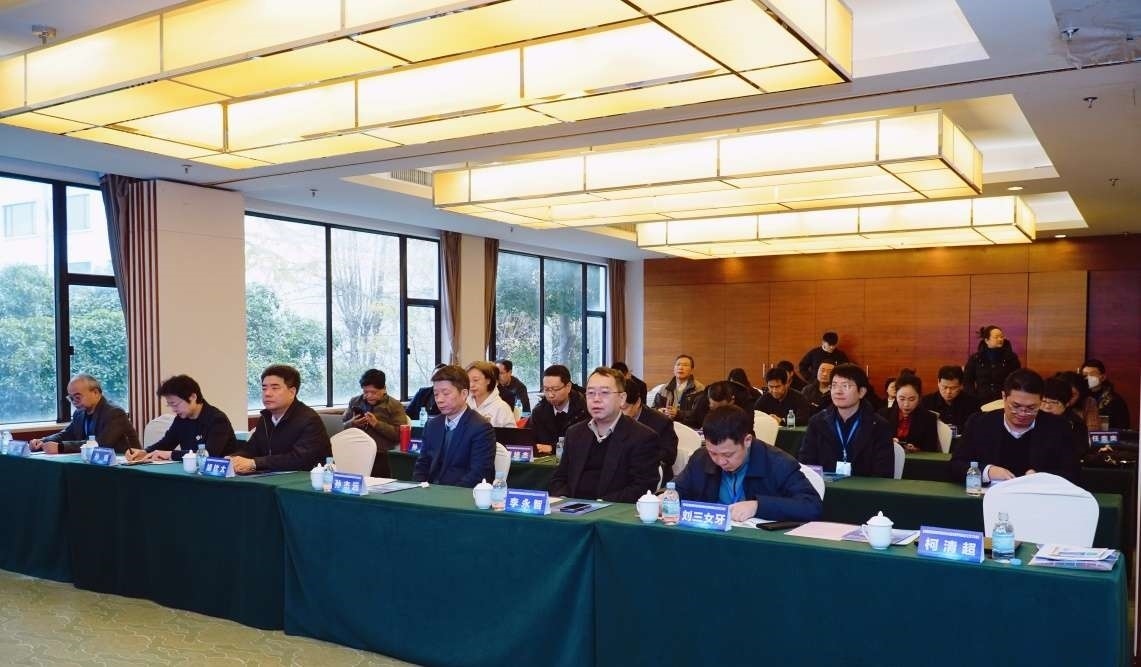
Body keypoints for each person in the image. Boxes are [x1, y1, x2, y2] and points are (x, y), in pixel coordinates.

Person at [674, 405, 822, 522]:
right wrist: (666, 497)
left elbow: (811, 506)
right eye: (713, 453)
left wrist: (758, 506)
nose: (720, 461)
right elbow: (677, 489)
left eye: (728, 455)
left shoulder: (778, 464)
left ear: (747, 441)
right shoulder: (701, 458)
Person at [548, 367, 660, 503]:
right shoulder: (575, 433)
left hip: (613, 511)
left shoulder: (642, 437)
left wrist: (600, 504)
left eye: (605, 393)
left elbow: (643, 487)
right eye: (590, 393)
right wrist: (563, 499)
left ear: (622, 398)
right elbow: (559, 478)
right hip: (572, 509)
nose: (596, 399)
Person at [951, 369, 1080, 484]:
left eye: (1031, 408)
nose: (1022, 413)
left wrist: (1041, 477)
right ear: (1004, 397)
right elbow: (955, 466)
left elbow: (1073, 474)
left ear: (1041, 401)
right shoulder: (979, 423)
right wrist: (987, 471)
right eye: (1016, 406)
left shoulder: (1058, 428)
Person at [798, 363, 894, 478]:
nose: (838, 391)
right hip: (825, 487)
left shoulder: (879, 426)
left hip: (865, 488)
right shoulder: (817, 422)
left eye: (846, 386)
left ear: (861, 392)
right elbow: (806, 464)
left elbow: (883, 473)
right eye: (834, 386)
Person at [229, 365, 330, 473]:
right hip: (271, 476)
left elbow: (300, 459)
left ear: (292, 392)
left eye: (275, 388)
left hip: (306, 479)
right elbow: (251, 449)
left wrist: (255, 463)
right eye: (264, 388)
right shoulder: (265, 418)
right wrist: (233, 459)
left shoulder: (309, 420)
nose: (267, 393)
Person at [413, 365, 495, 487]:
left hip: (460, 493)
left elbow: (478, 474)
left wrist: (448, 494)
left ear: (464, 394)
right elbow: (422, 465)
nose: (439, 400)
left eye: (446, 393)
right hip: (429, 490)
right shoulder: (432, 425)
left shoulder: (481, 428)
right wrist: (419, 487)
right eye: (436, 394)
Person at [125, 375, 237, 462]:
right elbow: (166, 443)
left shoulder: (217, 419)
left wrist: (171, 454)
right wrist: (144, 452)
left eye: (175, 404)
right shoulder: (181, 419)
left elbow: (209, 454)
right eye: (170, 405)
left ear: (193, 397)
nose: (173, 410)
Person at [31, 374, 139, 454]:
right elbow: (66, 434)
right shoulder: (79, 414)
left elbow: (100, 444)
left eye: (77, 397)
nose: (74, 402)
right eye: (71, 398)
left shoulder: (115, 413)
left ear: (95, 393)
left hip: (126, 465)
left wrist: (61, 447)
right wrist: (42, 441)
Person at [340, 368, 408, 478]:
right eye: (365, 392)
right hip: (354, 450)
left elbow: (399, 434)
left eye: (374, 392)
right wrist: (352, 423)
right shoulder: (355, 402)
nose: (369, 396)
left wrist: (377, 424)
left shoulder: (394, 405)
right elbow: (341, 427)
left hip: (381, 454)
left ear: (384, 389)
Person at [620, 378, 678, 484]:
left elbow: (669, 455)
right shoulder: (610, 418)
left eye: (624, 409)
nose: (619, 414)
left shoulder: (661, 422)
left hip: (651, 475)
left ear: (637, 403)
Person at [529, 364, 589, 455]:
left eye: (555, 389)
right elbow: (531, 441)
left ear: (568, 387)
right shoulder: (538, 412)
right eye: (546, 389)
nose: (550, 395)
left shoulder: (583, 410)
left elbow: (584, 443)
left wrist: (552, 448)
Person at [877, 374, 940, 453]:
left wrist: (917, 450)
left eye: (911, 399)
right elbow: (874, 443)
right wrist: (888, 443)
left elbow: (931, 449)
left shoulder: (929, 418)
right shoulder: (882, 415)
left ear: (919, 397)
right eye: (902, 399)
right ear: (896, 396)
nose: (906, 404)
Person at [963, 325, 1020, 403]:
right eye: (996, 337)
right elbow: (967, 380)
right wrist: (973, 396)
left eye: (1001, 337)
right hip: (981, 400)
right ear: (987, 340)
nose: (1000, 339)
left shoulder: (1011, 357)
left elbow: (1017, 379)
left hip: (1003, 400)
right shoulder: (976, 358)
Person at [920, 365, 981, 431]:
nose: (948, 392)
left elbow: (976, 428)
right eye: (945, 387)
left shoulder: (972, 403)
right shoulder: (927, 402)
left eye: (953, 388)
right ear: (938, 383)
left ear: (961, 385)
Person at [1041, 376, 1089, 459]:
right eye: (1044, 401)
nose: (1047, 406)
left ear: (1067, 403)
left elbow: (1078, 452)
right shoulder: (1031, 418)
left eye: (1054, 402)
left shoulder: (1075, 423)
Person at [652, 354, 704, 424]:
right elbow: (653, 409)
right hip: (667, 425)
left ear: (692, 370)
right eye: (678, 364)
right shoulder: (664, 388)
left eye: (685, 365)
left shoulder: (699, 389)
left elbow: (699, 415)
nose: (680, 367)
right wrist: (659, 411)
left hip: (689, 427)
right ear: (674, 368)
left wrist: (678, 414)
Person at [1080, 359, 1131, 429]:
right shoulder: (1078, 398)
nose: (1088, 378)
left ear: (1103, 377)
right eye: (1085, 375)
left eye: (1092, 374)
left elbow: (1123, 427)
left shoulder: (1115, 400)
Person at [466, 361, 516, 427]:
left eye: (476, 380)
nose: (471, 385)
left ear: (488, 380)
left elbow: (511, 433)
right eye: (468, 381)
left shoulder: (502, 408)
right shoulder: (464, 403)